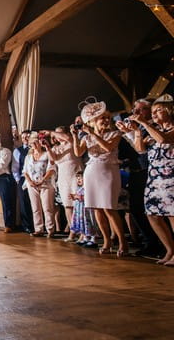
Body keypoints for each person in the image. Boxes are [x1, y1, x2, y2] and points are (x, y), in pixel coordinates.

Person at [72, 100, 128, 257]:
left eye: (107, 117)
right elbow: (77, 153)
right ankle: (106, 241)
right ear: (93, 121)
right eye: (102, 118)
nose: (105, 120)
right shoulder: (88, 137)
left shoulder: (115, 133)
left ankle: (122, 242)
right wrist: (75, 136)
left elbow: (108, 148)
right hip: (91, 172)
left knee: (109, 208)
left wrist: (92, 133)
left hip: (108, 172)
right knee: (97, 208)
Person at [128, 94, 174, 265]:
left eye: (159, 110)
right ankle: (170, 250)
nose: (154, 114)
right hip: (154, 178)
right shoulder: (151, 129)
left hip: (170, 177)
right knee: (152, 214)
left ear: (170, 111)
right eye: (153, 111)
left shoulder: (169, 130)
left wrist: (145, 123)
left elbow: (163, 139)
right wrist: (137, 130)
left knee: (171, 214)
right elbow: (140, 149)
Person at [116, 98, 161, 257]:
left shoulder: (154, 126)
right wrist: (128, 132)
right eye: (135, 109)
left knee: (152, 209)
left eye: (141, 109)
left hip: (151, 171)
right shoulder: (139, 127)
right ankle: (151, 241)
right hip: (137, 170)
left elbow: (141, 149)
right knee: (136, 208)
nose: (136, 112)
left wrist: (133, 132)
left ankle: (158, 243)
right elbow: (137, 149)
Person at [45, 126, 84, 241]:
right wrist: (47, 147)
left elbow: (67, 138)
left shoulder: (72, 141)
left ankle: (83, 232)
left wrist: (51, 131)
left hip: (75, 175)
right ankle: (73, 232)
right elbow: (54, 159)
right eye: (56, 134)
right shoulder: (56, 148)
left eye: (59, 133)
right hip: (63, 177)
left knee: (78, 203)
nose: (57, 136)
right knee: (67, 205)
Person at [23, 132, 56, 237]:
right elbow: (25, 171)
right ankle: (38, 229)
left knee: (47, 207)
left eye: (37, 142)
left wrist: (43, 180)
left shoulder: (46, 154)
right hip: (32, 184)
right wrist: (30, 181)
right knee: (35, 208)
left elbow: (52, 169)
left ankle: (50, 229)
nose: (35, 144)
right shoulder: (28, 157)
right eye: (33, 142)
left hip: (45, 183)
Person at [12, 130, 34, 233]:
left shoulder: (37, 148)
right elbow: (15, 167)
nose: (25, 138)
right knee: (24, 203)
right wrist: (18, 180)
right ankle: (27, 226)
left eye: (28, 136)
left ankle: (38, 225)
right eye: (24, 136)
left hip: (36, 178)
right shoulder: (18, 151)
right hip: (23, 178)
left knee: (35, 202)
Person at [69, 171, 98, 248]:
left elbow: (86, 197)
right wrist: (74, 197)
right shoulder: (79, 188)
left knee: (89, 223)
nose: (78, 180)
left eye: (81, 178)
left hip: (87, 211)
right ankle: (86, 237)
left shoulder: (87, 188)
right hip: (80, 211)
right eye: (77, 179)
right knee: (83, 224)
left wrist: (78, 197)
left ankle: (93, 238)